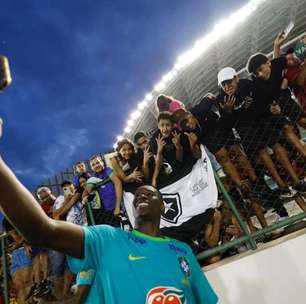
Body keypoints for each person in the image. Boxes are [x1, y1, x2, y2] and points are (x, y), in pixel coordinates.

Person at [0, 121, 218, 303]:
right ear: (132, 206)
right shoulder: (107, 238)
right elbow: (42, 230)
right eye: (139, 194)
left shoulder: (182, 251)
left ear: (163, 205)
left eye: (150, 194)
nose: (143, 195)